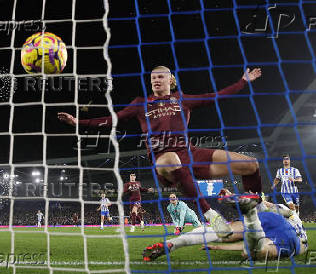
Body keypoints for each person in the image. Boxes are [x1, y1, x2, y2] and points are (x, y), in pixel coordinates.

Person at [58, 66, 262, 238]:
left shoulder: (181, 99)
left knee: (250, 165)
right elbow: (113, 119)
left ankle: (258, 215)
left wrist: (243, 81)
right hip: (163, 161)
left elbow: (214, 97)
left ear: (170, 79)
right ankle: (211, 215)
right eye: (153, 77)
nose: (156, 80)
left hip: (190, 153)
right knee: (172, 159)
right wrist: (78, 121)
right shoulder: (141, 104)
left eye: (160, 76)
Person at [143, 190, 307, 261]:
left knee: (230, 235)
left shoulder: (282, 213)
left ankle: (172, 244)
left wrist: (219, 247)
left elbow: (269, 206)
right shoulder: (288, 220)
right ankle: (235, 206)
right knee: (246, 247)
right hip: (290, 239)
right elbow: (272, 208)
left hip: (282, 230)